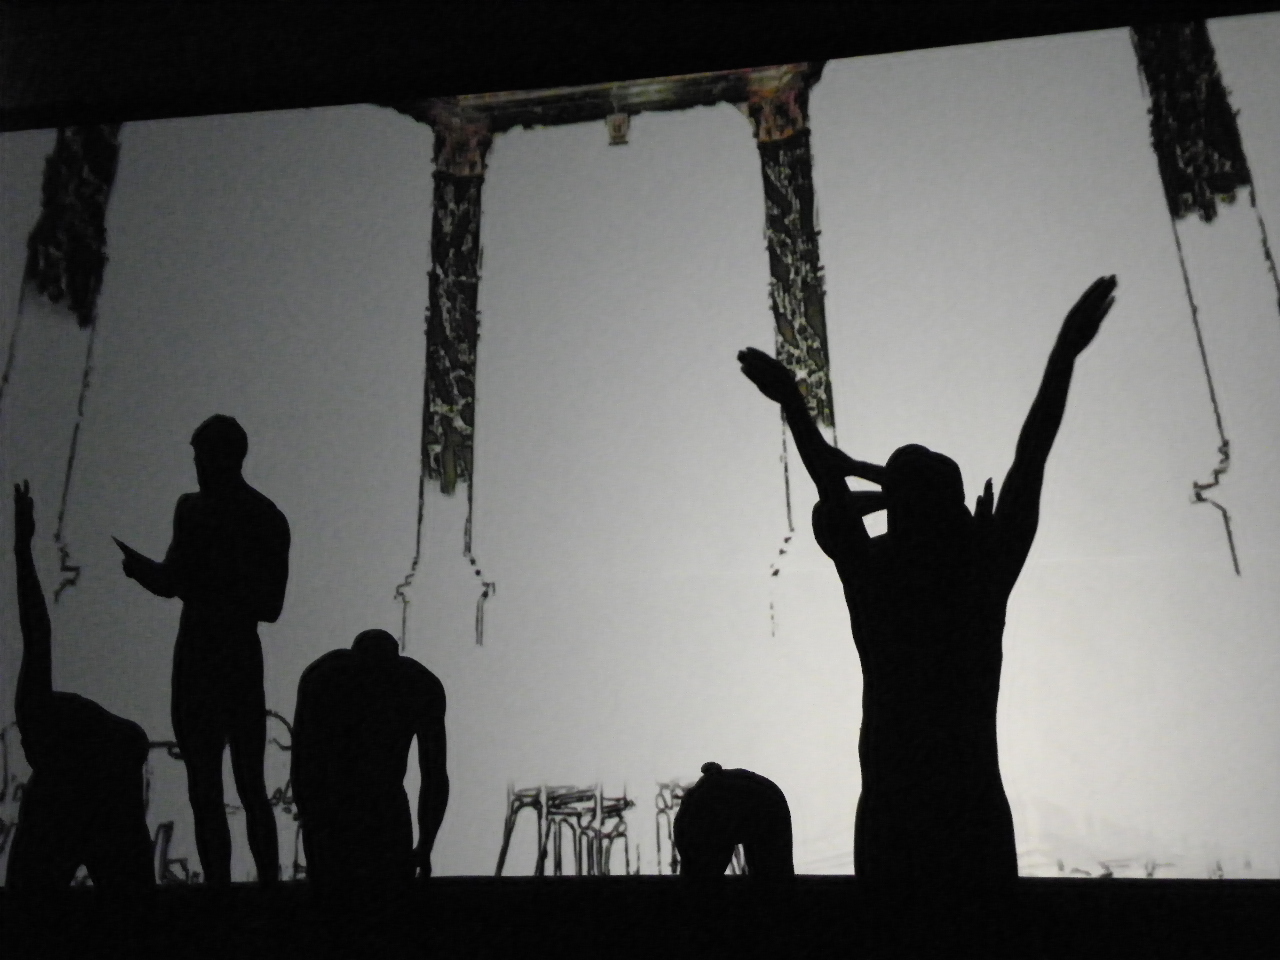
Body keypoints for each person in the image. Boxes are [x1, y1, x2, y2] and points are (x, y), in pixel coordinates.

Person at [738, 276, 1117, 884]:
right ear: (954, 509)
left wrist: (797, 407)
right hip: (972, 816)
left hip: (892, 819)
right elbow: (1031, 455)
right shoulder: (979, 576)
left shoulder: (879, 580)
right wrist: (1063, 355)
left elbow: (828, 491)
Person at [116, 414, 289, 887]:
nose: (196, 467)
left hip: (208, 658)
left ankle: (231, 891)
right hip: (226, 658)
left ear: (219, 458)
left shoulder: (209, 513)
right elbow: (264, 604)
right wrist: (150, 572)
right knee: (230, 785)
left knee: (223, 785)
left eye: (200, 457)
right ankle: (250, 889)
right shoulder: (263, 517)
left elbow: (180, 582)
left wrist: (185, 580)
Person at [8, 481, 152, 890]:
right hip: (108, 774)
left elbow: (37, 629)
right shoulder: (47, 733)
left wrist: (22, 550)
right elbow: (37, 632)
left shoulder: (41, 717)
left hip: (105, 774)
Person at [291, 628, 448, 901]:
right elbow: (434, 776)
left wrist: (426, 845)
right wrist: (425, 846)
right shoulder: (420, 685)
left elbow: (303, 763)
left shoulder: (323, 677)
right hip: (359, 807)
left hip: (354, 806)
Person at [674, 762, 793, 880]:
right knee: (773, 878)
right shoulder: (705, 807)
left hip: (755, 806)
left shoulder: (701, 810)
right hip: (762, 803)